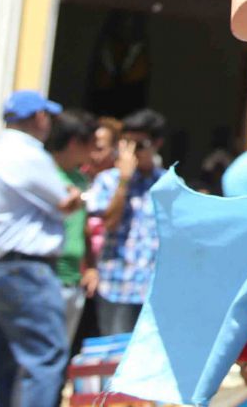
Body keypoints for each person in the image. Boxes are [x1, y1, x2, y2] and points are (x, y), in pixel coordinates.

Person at [0, 89, 80, 407]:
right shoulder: (29, 153)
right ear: (38, 117)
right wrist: (74, 195)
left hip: (0, 267)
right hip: (27, 269)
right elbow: (65, 200)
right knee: (46, 357)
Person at [83, 108, 166, 336]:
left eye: (139, 145)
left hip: (153, 289)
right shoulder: (108, 181)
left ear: (157, 144)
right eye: (125, 144)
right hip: (116, 285)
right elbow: (107, 224)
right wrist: (124, 182)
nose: (131, 152)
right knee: (115, 360)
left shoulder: (168, 184)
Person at [44, 110, 99, 350]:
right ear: (76, 142)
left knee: (60, 354)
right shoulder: (42, 174)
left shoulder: (81, 180)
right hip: (47, 279)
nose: (94, 152)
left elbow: (83, 228)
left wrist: (91, 266)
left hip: (73, 281)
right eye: (92, 145)